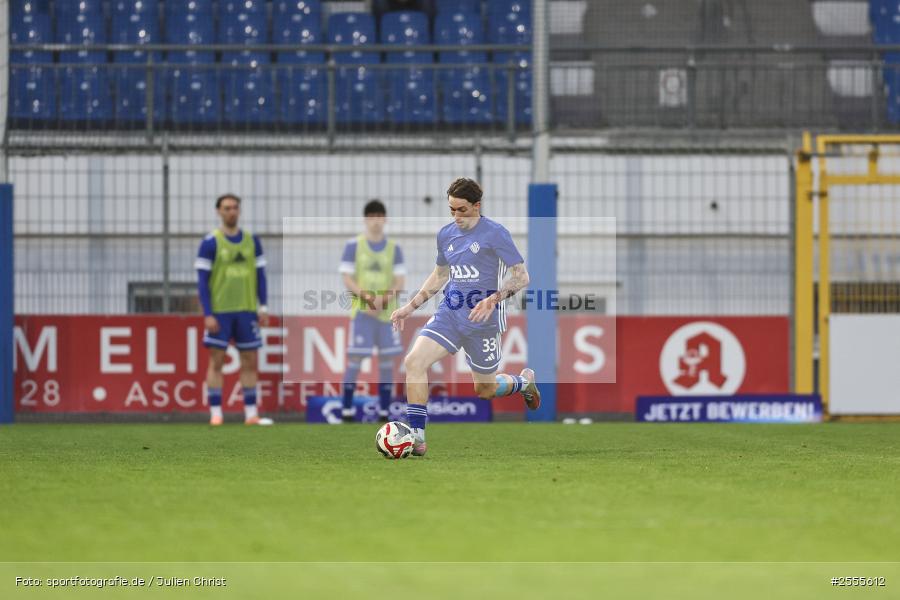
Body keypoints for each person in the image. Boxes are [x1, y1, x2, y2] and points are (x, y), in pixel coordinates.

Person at [390, 178, 540, 456]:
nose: (456, 216)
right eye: (451, 210)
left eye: (461, 210)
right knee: (413, 362)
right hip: (450, 313)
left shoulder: (496, 234)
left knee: (485, 390)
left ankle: (523, 382)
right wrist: (409, 307)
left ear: (476, 206)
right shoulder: (446, 235)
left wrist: (492, 299)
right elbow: (440, 276)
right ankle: (417, 437)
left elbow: (522, 277)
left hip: (484, 321)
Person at [195, 193, 272, 426]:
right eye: (227, 208)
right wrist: (207, 313)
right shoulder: (210, 242)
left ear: (239, 211)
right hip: (220, 312)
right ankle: (216, 414)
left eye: (235, 207)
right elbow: (202, 281)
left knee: (249, 361)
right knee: (216, 362)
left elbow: (261, 276)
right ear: (218, 211)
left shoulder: (252, 241)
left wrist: (264, 306)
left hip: (247, 311)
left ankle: (251, 414)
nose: (231, 211)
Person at [339, 200, 407, 423]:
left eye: (380, 216)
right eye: (372, 216)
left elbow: (400, 280)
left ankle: (384, 412)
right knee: (355, 359)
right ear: (366, 219)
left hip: (387, 314)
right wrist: (368, 299)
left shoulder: (394, 248)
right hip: (362, 314)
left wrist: (384, 299)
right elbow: (347, 278)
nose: (376, 221)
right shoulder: (354, 245)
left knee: (387, 362)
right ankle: (347, 411)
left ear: (385, 219)